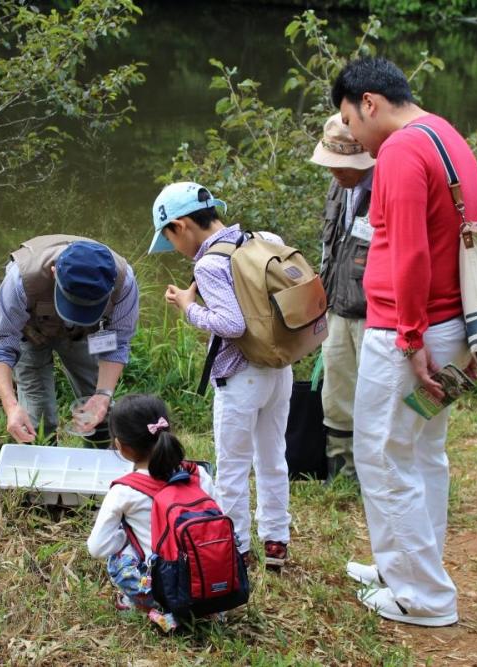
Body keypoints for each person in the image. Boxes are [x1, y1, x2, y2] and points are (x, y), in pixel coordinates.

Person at [331, 57, 477, 626]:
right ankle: (408, 568)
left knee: (381, 452)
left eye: (349, 119)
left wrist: (411, 337)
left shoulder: (397, 149)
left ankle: (422, 597)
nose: (351, 134)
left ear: (369, 102)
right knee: (421, 450)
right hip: (449, 328)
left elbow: (413, 252)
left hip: (406, 334)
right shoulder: (445, 135)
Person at [147, 182, 293, 571]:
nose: (175, 249)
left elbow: (230, 323)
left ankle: (237, 549)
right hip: (280, 369)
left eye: (169, 239)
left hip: (241, 376)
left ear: (180, 226)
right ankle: (276, 541)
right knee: (272, 456)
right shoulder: (261, 239)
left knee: (232, 467)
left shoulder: (209, 263)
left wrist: (188, 307)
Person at [0, 235, 139, 448]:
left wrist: (103, 394)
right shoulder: (21, 279)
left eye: (89, 307)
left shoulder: (123, 281)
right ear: (54, 273)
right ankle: (38, 474)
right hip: (30, 332)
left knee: (98, 406)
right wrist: (11, 406)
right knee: (36, 416)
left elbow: (119, 341)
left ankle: (102, 465)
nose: (77, 314)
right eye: (73, 304)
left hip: (87, 335)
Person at [86, 394, 216, 633]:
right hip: (212, 582)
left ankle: (144, 605)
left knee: (118, 558)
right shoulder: (199, 474)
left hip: (166, 590)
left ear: (120, 446)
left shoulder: (124, 491)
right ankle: (209, 610)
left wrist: (125, 537)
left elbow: (96, 548)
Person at [309, 112, 376, 484]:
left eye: (344, 165)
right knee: (335, 395)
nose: (337, 171)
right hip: (335, 308)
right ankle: (340, 473)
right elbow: (327, 248)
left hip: (374, 316)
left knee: (376, 398)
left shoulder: (388, 186)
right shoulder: (337, 187)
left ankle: (375, 476)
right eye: (332, 164)